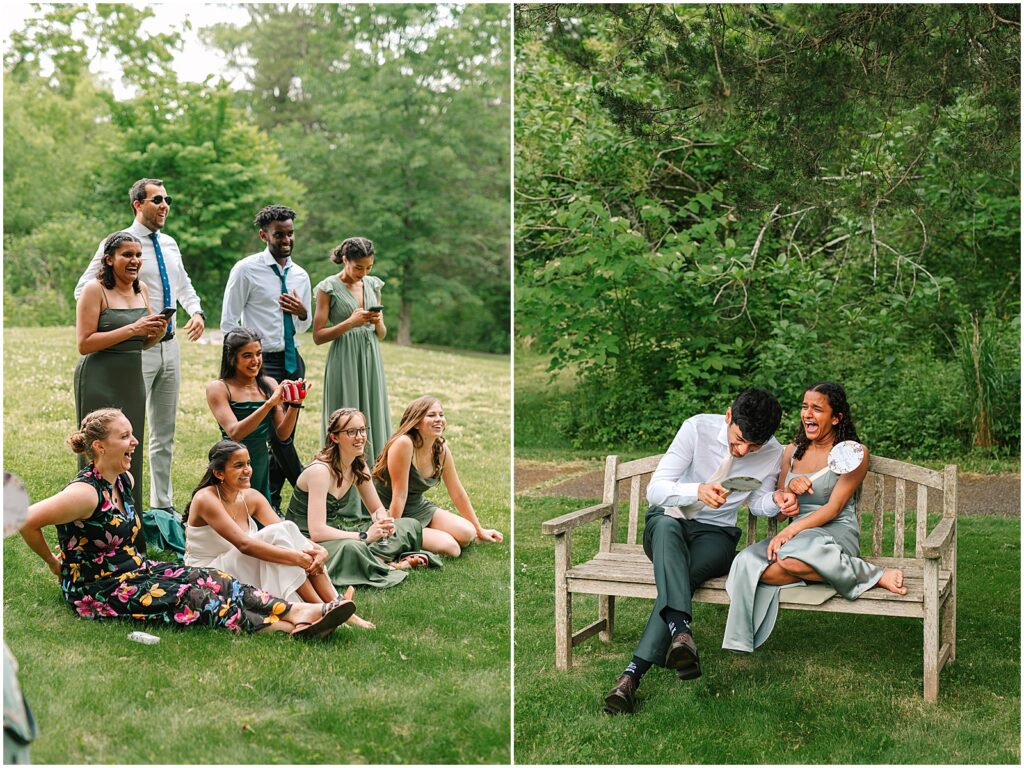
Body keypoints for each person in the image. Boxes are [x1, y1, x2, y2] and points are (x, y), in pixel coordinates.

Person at [19, 408, 357, 639]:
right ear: (99, 446)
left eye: (132, 434)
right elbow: (27, 519)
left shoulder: (123, 482)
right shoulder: (84, 494)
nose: (134, 442)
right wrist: (54, 563)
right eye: (125, 437)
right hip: (101, 589)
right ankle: (290, 627)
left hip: (137, 571)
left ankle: (300, 610)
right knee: (192, 596)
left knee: (214, 578)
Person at [602, 388, 798, 715]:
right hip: (670, 522)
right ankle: (658, 653)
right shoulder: (696, 429)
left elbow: (758, 501)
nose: (743, 451)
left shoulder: (771, 452)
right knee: (666, 529)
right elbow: (656, 489)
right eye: (737, 441)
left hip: (716, 536)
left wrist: (776, 500)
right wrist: (696, 490)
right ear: (727, 416)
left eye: (753, 446)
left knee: (682, 576)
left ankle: (638, 672)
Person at [722, 382, 907, 653]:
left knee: (786, 559)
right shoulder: (791, 452)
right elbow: (781, 499)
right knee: (745, 563)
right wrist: (788, 493)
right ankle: (834, 573)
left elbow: (833, 508)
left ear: (836, 417)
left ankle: (873, 574)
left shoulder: (853, 454)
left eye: (817, 409)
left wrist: (788, 533)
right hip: (799, 536)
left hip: (833, 532)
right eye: (805, 406)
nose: (808, 414)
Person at [74, 178, 206, 518]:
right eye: (157, 199)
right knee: (123, 431)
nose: (165, 206)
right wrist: (119, 319)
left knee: (165, 431)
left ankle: (161, 505)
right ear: (138, 204)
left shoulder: (172, 244)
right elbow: (83, 289)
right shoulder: (117, 243)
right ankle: (100, 505)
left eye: (168, 200)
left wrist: (197, 311)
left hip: (167, 343)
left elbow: (184, 283)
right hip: (130, 350)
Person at [183, 440, 373, 627]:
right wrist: (297, 558)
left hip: (238, 566)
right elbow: (244, 545)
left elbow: (290, 534)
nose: (247, 470)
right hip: (208, 574)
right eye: (239, 465)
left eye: (248, 463)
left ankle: (336, 606)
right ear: (219, 473)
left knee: (284, 530)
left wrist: (319, 550)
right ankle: (324, 607)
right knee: (277, 537)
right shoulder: (206, 499)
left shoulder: (251, 497)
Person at [220, 205, 311, 512]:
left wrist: (300, 312)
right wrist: (241, 364)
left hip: (291, 360)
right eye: (279, 234)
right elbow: (229, 322)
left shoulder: (300, 275)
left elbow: (304, 325)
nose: (286, 240)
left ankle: (271, 499)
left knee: (284, 435)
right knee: (271, 438)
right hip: (259, 361)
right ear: (264, 235)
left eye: (290, 234)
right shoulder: (245, 270)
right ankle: (307, 489)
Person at [286, 408, 437, 590]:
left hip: (335, 533)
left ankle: (374, 559)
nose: (360, 437)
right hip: (308, 542)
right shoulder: (320, 472)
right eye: (351, 432)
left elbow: (376, 509)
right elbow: (317, 531)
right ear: (334, 437)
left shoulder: (358, 465)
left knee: (409, 525)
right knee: (352, 547)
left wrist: (382, 522)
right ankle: (389, 564)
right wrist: (365, 536)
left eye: (362, 430)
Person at [74, 232, 170, 514]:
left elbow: (142, 341)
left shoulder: (143, 290)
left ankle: (130, 521)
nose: (135, 261)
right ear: (109, 259)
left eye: (138, 255)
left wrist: (157, 332)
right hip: (98, 376)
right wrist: (134, 329)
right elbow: (84, 343)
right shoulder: (95, 290)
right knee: (99, 448)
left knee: (130, 447)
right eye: (127, 255)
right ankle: (93, 517)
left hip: (132, 377)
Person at [373, 397, 504, 557]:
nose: (439, 420)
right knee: (452, 549)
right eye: (431, 415)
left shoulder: (441, 451)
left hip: (417, 507)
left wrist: (479, 529)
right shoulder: (404, 444)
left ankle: (426, 533)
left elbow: (457, 492)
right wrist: (392, 532)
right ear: (416, 423)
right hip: (391, 511)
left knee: (467, 533)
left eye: (441, 415)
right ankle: (416, 536)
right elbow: (399, 495)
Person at [311, 237, 390, 462]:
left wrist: (377, 321)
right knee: (346, 412)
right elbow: (317, 336)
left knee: (373, 409)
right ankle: (341, 473)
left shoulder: (374, 284)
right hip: (344, 357)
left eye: (369, 267)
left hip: (371, 357)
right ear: (345, 259)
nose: (363, 272)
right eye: (358, 267)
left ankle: (376, 474)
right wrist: (350, 323)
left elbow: (382, 335)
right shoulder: (328, 288)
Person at [206, 328, 306, 505]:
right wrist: (269, 404)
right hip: (233, 463)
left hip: (259, 464)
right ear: (231, 358)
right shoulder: (219, 388)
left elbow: (283, 435)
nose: (255, 361)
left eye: (259, 353)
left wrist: (295, 404)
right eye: (247, 356)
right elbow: (234, 433)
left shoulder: (268, 383)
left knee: (261, 517)